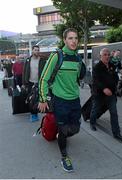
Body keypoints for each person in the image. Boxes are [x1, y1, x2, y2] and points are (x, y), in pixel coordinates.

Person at [38, 28, 85, 172]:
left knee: (75, 128)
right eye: (70, 38)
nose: (74, 41)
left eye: (76, 38)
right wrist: (43, 98)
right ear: (64, 40)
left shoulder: (77, 58)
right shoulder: (56, 56)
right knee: (64, 130)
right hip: (60, 101)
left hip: (75, 100)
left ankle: (60, 135)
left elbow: (78, 77)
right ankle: (64, 156)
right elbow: (44, 79)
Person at [90, 48, 122, 140]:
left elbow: (115, 77)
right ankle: (92, 123)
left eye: (108, 54)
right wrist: (104, 88)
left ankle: (116, 133)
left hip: (111, 94)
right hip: (99, 93)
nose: (107, 56)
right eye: (104, 55)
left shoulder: (112, 65)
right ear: (100, 56)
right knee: (95, 109)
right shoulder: (97, 67)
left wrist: (116, 85)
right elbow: (95, 80)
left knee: (114, 113)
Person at [22, 45, 47, 122]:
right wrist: (24, 83)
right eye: (35, 50)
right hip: (30, 82)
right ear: (32, 51)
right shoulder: (28, 60)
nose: (37, 51)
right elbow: (24, 71)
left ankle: (37, 112)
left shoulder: (42, 60)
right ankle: (33, 114)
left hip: (39, 83)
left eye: (38, 50)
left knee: (39, 98)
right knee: (31, 99)